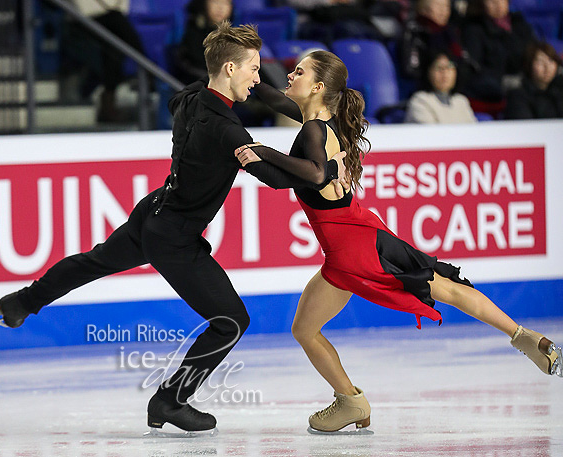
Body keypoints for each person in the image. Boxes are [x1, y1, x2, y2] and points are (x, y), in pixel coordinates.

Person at [0, 22, 346, 434]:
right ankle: (170, 401)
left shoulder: (189, 97)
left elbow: (206, 99)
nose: (259, 78)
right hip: (174, 236)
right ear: (229, 68)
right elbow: (282, 180)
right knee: (231, 321)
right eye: (254, 69)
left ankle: (20, 304)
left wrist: (254, 94)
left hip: (153, 211)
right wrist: (328, 168)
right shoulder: (228, 132)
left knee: (92, 262)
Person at [235, 49, 562, 433]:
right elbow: (275, 100)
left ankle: (351, 401)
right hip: (358, 234)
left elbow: (316, 172)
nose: (290, 75)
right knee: (441, 287)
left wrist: (260, 152)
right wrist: (248, 78)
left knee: (315, 327)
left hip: (350, 250)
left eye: (299, 72)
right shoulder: (322, 120)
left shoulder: (312, 131)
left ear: (318, 86)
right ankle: (524, 337)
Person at [69, 0, 146, 122]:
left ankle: (108, 103)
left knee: (114, 50)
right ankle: (146, 67)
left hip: (109, 20)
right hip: (82, 20)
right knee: (117, 22)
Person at [461, 0, 535, 116]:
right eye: (492, 2)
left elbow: (534, 55)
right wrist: (502, 82)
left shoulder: (520, 25)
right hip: (493, 88)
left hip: (525, 83)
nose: (498, 5)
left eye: (501, 0)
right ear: (483, 4)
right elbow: (475, 67)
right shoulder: (473, 29)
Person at [405, 50, 477, 123]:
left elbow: (473, 131)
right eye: (439, 67)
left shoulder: (461, 101)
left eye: (449, 67)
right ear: (428, 72)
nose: (445, 72)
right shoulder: (420, 101)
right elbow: (431, 133)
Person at [505, 41, 563, 120]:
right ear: (529, 65)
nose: (547, 66)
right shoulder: (518, 96)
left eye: (551, 60)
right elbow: (525, 127)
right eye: (540, 61)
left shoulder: (559, 91)